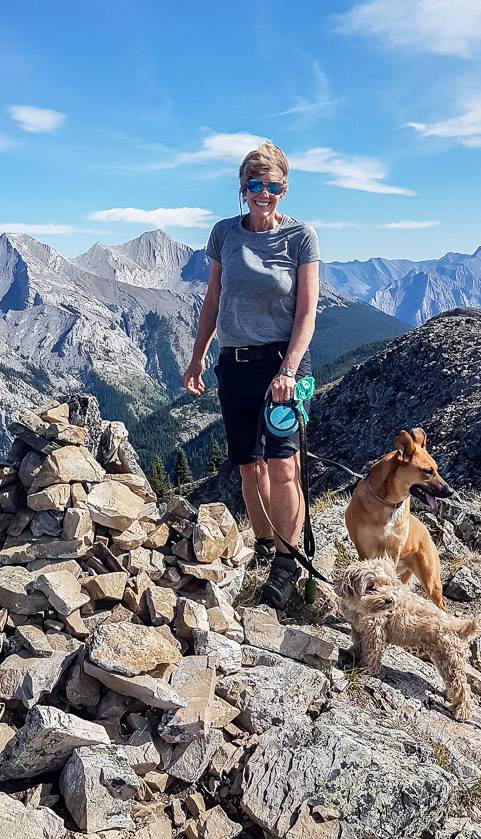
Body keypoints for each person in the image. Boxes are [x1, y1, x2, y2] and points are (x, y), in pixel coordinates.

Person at [183, 140, 320, 609]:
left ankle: (287, 561)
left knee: (284, 464)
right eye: (255, 185)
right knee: (248, 463)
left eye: (273, 186)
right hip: (234, 363)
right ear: (242, 189)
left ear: (285, 188)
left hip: (280, 365)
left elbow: (307, 314)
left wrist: (288, 370)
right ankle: (265, 545)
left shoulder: (301, 237)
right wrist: (199, 355)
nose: (264, 194)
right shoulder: (225, 233)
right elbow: (213, 299)